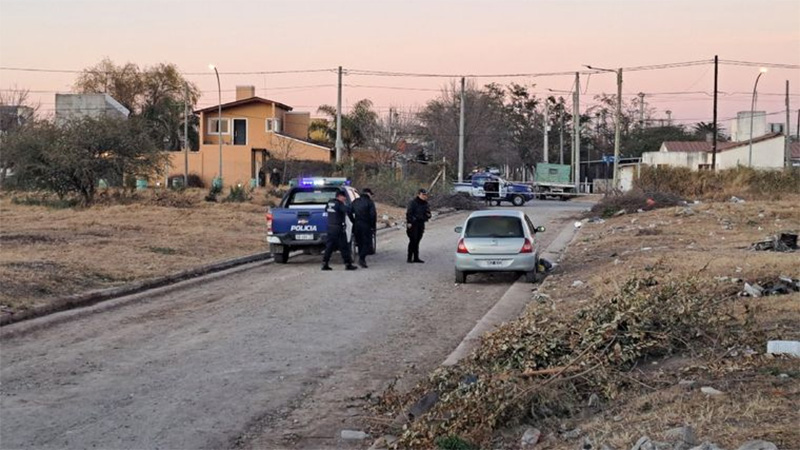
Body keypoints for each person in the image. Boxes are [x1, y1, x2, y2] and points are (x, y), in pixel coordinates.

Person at [322, 190, 358, 271]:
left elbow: (326, 210)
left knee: (329, 247)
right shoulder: (339, 204)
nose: (345, 198)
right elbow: (347, 210)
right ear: (339, 196)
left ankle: (325, 263)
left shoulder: (329, 203)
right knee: (344, 247)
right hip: (338, 228)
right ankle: (348, 264)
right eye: (344, 197)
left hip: (330, 227)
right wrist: (352, 207)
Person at [351, 188, 377, 268]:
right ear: (368, 194)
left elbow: (349, 211)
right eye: (371, 194)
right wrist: (373, 226)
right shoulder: (369, 202)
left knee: (360, 243)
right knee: (367, 243)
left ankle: (362, 259)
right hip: (366, 225)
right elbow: (373, 215)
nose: (371, 196)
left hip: (356, 225)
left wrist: (353, 221)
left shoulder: (355, 201)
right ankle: (361, 259)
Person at [405, 188, 431, 263]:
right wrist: (409, 222)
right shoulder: (413, 202)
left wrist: (428, 215)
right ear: (418, 194)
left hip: (421, 224)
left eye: (425, 195)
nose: (424, 196)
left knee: (417, 241)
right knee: (413, 240)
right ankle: (409, 258)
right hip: (413, 224)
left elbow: (428, 213)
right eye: (423, 195)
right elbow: (409, 213)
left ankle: (416, 257)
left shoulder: (425, 203)